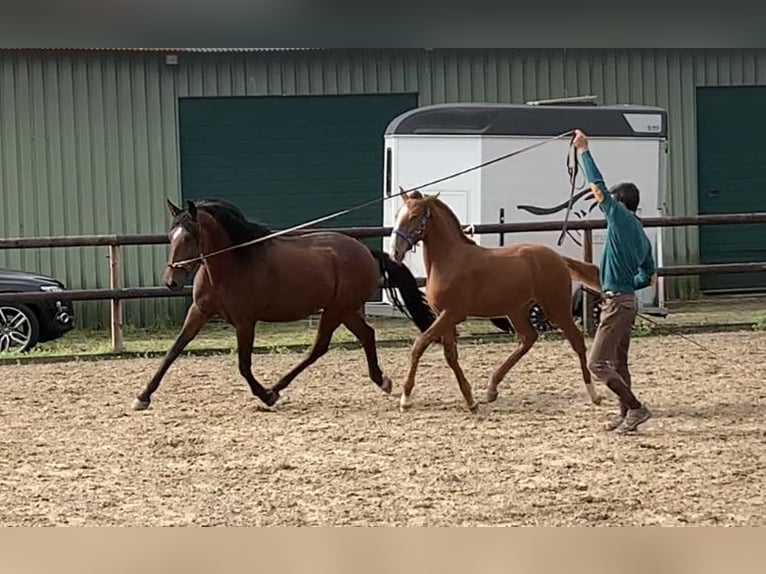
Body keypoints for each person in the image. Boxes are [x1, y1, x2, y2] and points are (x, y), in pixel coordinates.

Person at [572, 129, 656, 433]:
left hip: (617, 302)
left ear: (620, 204)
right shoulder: (642, 236)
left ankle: (636, 409)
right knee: (619, 362)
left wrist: (584, 151)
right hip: (626, 301)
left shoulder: (620, 220)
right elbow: (648, 275)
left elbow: (598, 189)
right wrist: (627, 285)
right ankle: (625, 415)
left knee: (597, 364)